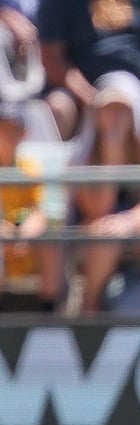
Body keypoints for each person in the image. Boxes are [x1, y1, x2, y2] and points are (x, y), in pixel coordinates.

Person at [67, 70, 140, 314]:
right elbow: (97, 208)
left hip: (139, 223)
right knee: (105, 235)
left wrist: (128, 220)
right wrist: (112, 153)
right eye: (108, 109)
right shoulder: (84, 154)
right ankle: (90, 311)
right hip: (97, 224)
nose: (115, 117)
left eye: (122, 109)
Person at [36, 0, 140, 140]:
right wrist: (92, 98)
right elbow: (52, 58)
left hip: (139, 92)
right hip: (79, 94)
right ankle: (49, 180)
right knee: (58, 107)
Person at [0, 100, 63, 313]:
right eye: (1, 127)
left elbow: (43, 211)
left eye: (11, 129)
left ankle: (49, 313)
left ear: (23, 134)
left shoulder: (30, 168)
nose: (5, 134)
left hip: (24, 247)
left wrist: (22, 232)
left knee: (50, 239)